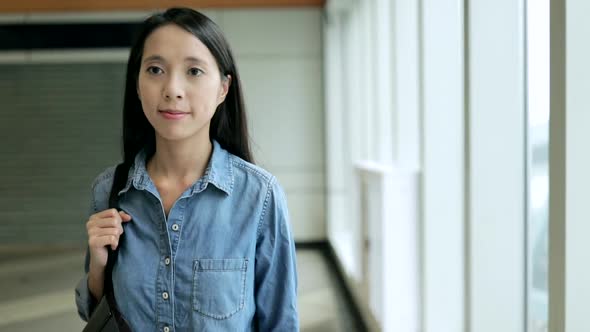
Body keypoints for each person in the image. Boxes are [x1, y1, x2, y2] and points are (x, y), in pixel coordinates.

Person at [74, 7, 299, 331]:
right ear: (137, 85)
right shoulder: (108, 191)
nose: (172, 89)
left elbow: (281, 323)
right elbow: (95, 314)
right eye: (155, 69)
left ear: (223, 88)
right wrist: (98, 266)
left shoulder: (260, 197)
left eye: (193, 71)